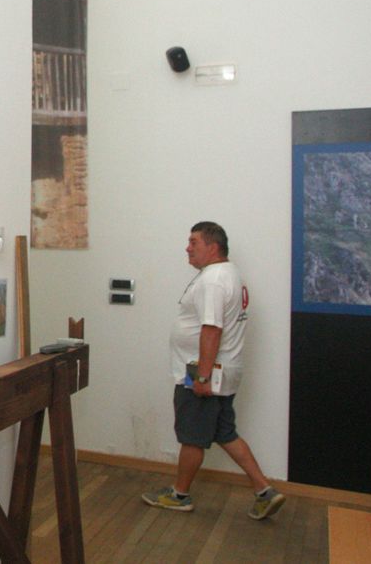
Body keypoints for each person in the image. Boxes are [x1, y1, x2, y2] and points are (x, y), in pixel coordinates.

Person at [141, 221, 286, 520]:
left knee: (192, 437)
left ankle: (179, 495)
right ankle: (264, 490)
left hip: (203, 371)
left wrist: (202, 377)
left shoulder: (214, 280)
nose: (187, 247)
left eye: (194, 242)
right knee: (225, 432)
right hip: (224, 370)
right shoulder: (226, 274)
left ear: (213, 246)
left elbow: (211, 329)